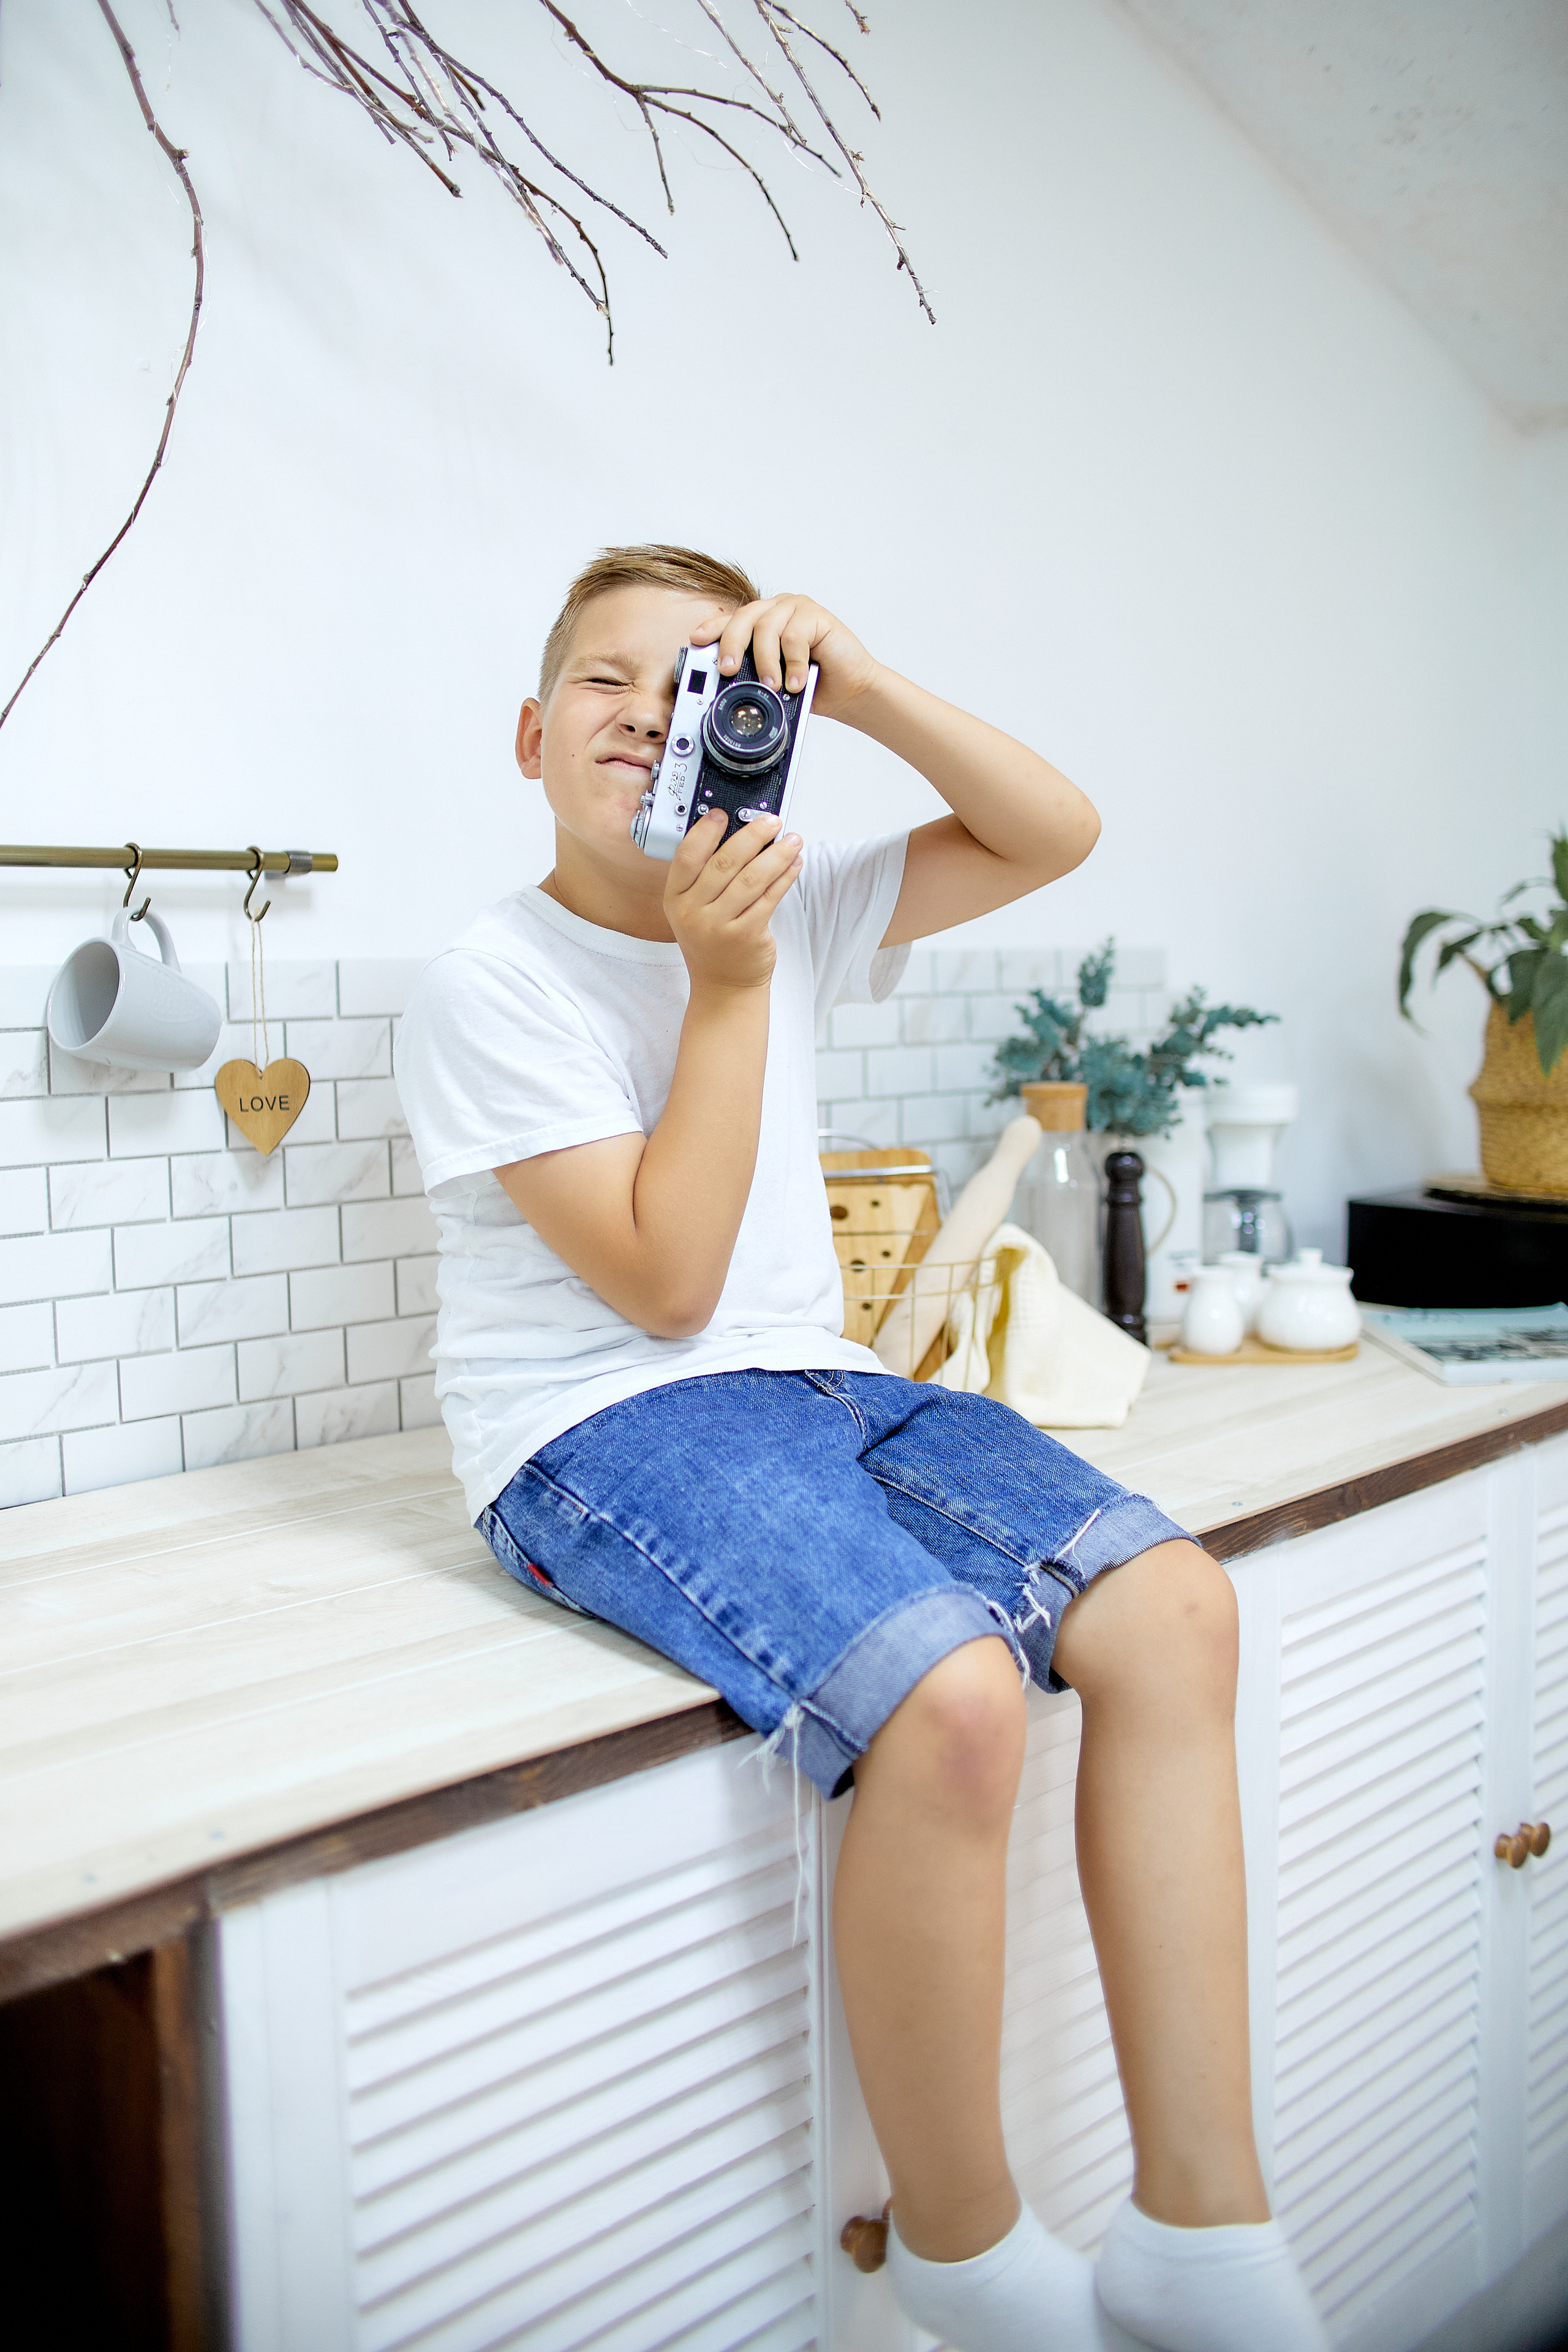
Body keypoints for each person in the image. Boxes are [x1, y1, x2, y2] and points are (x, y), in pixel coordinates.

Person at [394, 545, 1327, 2352]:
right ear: (529, 736)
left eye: (707, 683)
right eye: (607, 682)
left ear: (762, 727)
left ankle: (1202, 2232)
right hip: (593, 1427)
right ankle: (969, 2258)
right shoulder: (487, 983)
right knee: (953, 1698)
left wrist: (869, 683)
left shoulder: (797, 904)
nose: (656, 713)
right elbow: (666, 1291)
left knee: (1179, 1614)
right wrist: (724, 984)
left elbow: (1053, 831)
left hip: (819, 1382)